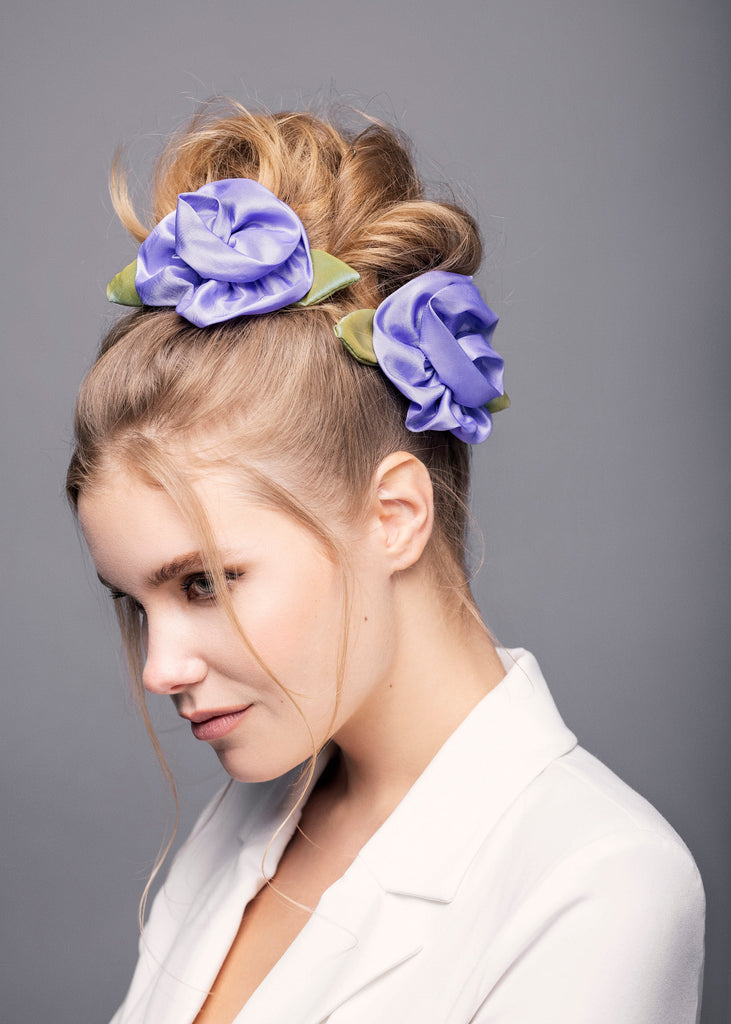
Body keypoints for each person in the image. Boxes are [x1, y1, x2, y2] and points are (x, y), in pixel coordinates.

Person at [67, 102, 705, 1024]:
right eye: (136, 602)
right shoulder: (250, 819)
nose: (159, 669)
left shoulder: (599, 883)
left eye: (203, 582)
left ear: (394, 515)